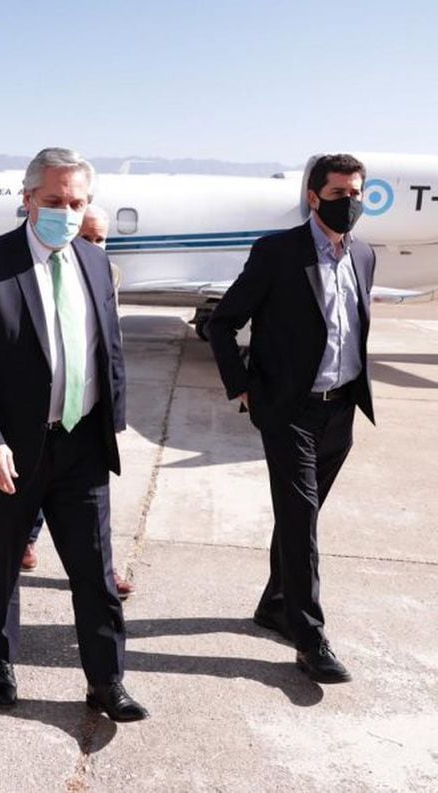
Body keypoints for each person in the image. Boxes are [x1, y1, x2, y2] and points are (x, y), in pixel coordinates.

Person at [0, 148, 147, 720]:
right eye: (55, 201)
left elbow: (110, 351)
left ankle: (106, 681)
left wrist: (113, 425)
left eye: (76, 203)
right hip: (7, 448)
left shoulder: (97, 262)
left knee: (95, 571)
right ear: (28, 198)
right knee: (3, 563)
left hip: (81, 443)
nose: (66, 212)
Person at [207, 153, 375, 684]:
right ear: (312, 196)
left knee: (301, 518)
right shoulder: (278, 252)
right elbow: (223, 323)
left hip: (341, 408)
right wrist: (245, 388)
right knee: (301, 521)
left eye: (356, 194)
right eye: (338, 195)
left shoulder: (365, 256)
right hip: (290, 411)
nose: (348, 204)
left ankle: (276, 604)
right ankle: (310, 638)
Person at [21, 206, 135, 600]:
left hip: (84, 416)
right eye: (86, 237)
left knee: (92, 517)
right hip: (38, 414)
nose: (92, 245)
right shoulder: (34, 269)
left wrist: (114, 412)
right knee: (34, 489)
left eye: (100, 239)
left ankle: (103, 571)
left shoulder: (106, 271)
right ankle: (26, 539)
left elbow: (110, 341)